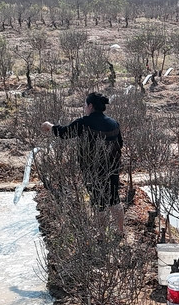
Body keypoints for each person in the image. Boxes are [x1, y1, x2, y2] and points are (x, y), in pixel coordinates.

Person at [41, 92, 124, 233]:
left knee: (99, 204)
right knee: (114, 201)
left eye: (85, 105)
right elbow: (120, 144)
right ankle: (121, 231)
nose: (84, 108)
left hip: (93, 171)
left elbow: (63, 133)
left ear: (90, 106)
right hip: (112, 169)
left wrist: (49, 125)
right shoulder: (114, 123)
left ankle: (102, 236)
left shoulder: (83, 123)